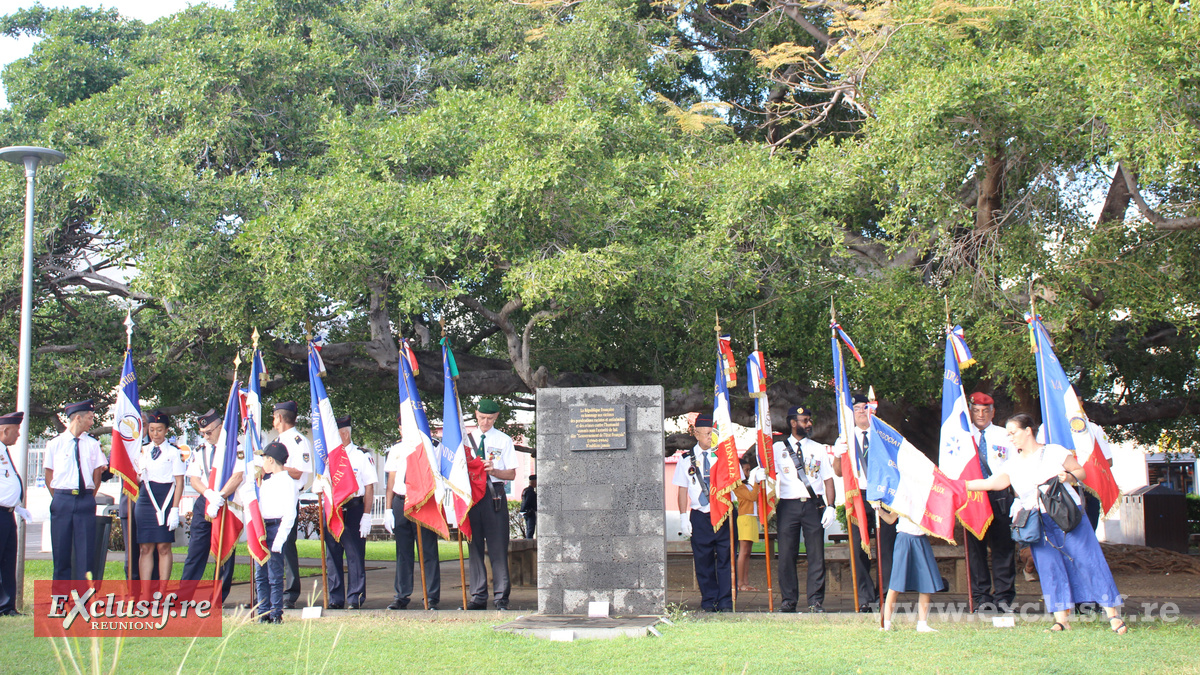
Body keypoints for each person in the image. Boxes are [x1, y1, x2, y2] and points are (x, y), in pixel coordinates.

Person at [965, 413, 1126, 634]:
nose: (1010, 437)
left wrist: (1067, 477)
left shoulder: (1054, 451)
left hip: (1067, 516)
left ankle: (1113, 615)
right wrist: (959, 485)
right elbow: (991, 483)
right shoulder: (1012, 464)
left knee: (1088, 561)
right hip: (1036, 520)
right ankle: (1061, 620)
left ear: (1028, 430)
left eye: (1013, 432)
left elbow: (1081, 471)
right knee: (1050, 568)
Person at [762, 405, 837, 613]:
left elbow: (828, 480)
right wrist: (759, 475)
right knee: (786, 554)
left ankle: (815, 601)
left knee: (816, 554)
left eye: (810, 420)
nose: (809, 423)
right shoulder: (778, 448)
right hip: (788, 505)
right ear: (793, 423)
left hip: (813, 505)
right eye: (805, 420)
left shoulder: (818, 448)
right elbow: (768, 472)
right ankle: (788, 600)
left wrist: (831, 506)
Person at [831, 394, 891, 612]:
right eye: (856, 408)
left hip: (882, 496)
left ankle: (885, 596)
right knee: (859, 549)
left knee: (886, 548)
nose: (860, 411)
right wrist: (838, 454)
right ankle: (865, 597)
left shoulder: (883, 434)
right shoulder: (847, 437)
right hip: (857, 496)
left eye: (864, 407)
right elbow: (838, 472)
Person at [963, 392, 1018, 612]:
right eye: (976, 410)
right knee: (975, 550)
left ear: (993, 412)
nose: (981, 415)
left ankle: (1003, 598)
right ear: (970, 411)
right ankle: (981, 598)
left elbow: (1016, 465)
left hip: (1001, 496)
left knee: (1003, 549)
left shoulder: (1005, 435)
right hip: (972, 496)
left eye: (986, 411)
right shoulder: (961, 435)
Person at [180, 409, 242, 601]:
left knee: (225, 549)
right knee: (196, 550)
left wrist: (220, 496)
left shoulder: (235, 448)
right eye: (203, 433)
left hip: (226, 502)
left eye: (209, 432)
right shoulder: (201, 451)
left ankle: (218, 598)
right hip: (205, 503)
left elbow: (238, 476)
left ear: (221, 427)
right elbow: (194, 478)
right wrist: (208, 494)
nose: (206, 437)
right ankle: (183, 596)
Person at [673, 412, 732, 612]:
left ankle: (725, 601)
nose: (709, 437)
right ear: (696, 434)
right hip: (700, 516)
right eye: (706, 434)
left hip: (722, 514)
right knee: (703, 560)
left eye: (712, 433)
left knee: (725, 559)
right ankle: (709, 600)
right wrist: (683, 516)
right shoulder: (685, 460)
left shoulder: (724, 457)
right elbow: (682, 489)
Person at [44, 400, 108, 581]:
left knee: (85, 552)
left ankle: (83, 598)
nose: (91, 422)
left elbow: (97, 473)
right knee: (61, 551)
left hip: (85, 499)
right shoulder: (55, 444)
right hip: (62, 499)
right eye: (89, 418)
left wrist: (89, 496)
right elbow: (49, 474)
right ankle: (61, 599)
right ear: (77, 418)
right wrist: (58, 497)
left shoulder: (92, 444)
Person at [383, 413, 441, 610]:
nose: (403, 430)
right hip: (401, 501)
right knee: (403, 552)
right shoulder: (396, 449)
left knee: (428, 551)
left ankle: (431, 596)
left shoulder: (430, 447)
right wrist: (388, 509)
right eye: (401, 427)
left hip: (423, 502)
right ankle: (401, 595)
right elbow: (391, 480)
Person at [464, 399, 516, 610]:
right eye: (482, 417)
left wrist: (493, 470)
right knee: (474, 547)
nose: (485, 422)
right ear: (476, 415)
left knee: (497, 547)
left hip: (494, 495)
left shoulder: (504, 440)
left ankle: (501, 597)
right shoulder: (466, 440)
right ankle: (477, 596)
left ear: (496, 418)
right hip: (472, 496)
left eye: (490, 419)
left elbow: (512, 473)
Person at [323, 415, 376, 609]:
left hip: (354, 508)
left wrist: (367, 515)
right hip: (334, 509)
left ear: (345, 434)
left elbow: (369, 486)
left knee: (354, 555)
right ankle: (336, 598)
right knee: (333, 554)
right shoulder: (329, 457)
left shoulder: (361, 456)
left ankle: (355, 597)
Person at [270, 401, 312, 609]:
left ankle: (290, 593)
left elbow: (299, 472)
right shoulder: (276, 441)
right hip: (271, 498)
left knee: (286, 545)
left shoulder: (299, 441)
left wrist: (277, 468)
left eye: (274, 417)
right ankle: (272, 589)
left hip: (288, 497)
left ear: (280, 418)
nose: (273, 421)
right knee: (269, 543)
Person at [135, 410, 185, 583]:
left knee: (163, 547)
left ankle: (161, 594)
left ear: (166, 430)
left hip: (165, 498)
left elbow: (179, 482)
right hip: (145, 500)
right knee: (145, 548)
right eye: (152, 429)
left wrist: (175, 508)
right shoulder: (142, 451)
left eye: (159, 430)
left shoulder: (174, 452)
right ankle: (146, 593)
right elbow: (136, 478)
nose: (155, 434)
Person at [879, 508, 944, 632]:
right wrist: (879, 511)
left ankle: (922, 624)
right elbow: (891, 519)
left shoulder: (926, 498)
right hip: (904, 539)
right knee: (896, 583)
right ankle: (886, 623)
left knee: (926, 582)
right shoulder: (903, 498)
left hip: (921, 539)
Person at [254, 440, 298, 624]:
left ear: (271, 460)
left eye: (264, 459)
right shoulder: (267, 482)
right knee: (261, 573)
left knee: (274, 573)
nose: (262, 463)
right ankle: (263, 611)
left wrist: (280, 538)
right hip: (262, 527)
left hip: (276, 527)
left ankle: (275, 612)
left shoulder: (288, 482)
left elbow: (290, 513)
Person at [0, 411, 32, 616]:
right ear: (5, 430)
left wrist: (17, 506)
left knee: (7, 560)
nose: (19, 435)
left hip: (8, 514)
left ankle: (7, 606)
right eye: (17, 430)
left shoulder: (3, 450)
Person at [732, 452, 760, 593]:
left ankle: (746, 581)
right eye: (746, 470)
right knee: (743, 552)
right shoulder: (738, 486)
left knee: (748, 552)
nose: (748, 473)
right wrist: (757, 482)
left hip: (751, 517)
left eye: (749, 470)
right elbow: (752, 496)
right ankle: (740, 582)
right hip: (744, 518)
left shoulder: (747, 485)